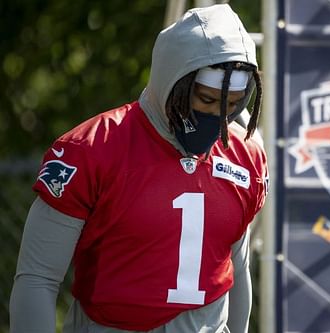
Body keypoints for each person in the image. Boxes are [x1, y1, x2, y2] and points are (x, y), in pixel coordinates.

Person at [9, 4, 268, 333]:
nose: (218, 116)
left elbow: (235, 266)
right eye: (206, 99)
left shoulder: (244, 156)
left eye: (231, 105)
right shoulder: (91, 149)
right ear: (173, 80)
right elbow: (37, 279)